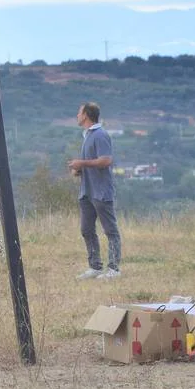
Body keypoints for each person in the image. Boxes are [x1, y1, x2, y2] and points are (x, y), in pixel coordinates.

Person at [70, 101, 121, 279]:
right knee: (86, 229)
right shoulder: (88, 136)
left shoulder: (100, 135)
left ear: (85, 115)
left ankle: (114, 269)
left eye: (79, 112)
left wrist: (81, 163)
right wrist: (79, 169)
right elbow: (93, 162)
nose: (77, 115)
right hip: (87, 191)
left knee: (110, 230)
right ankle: (95, 266)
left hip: (101, 191)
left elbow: (106, 160)